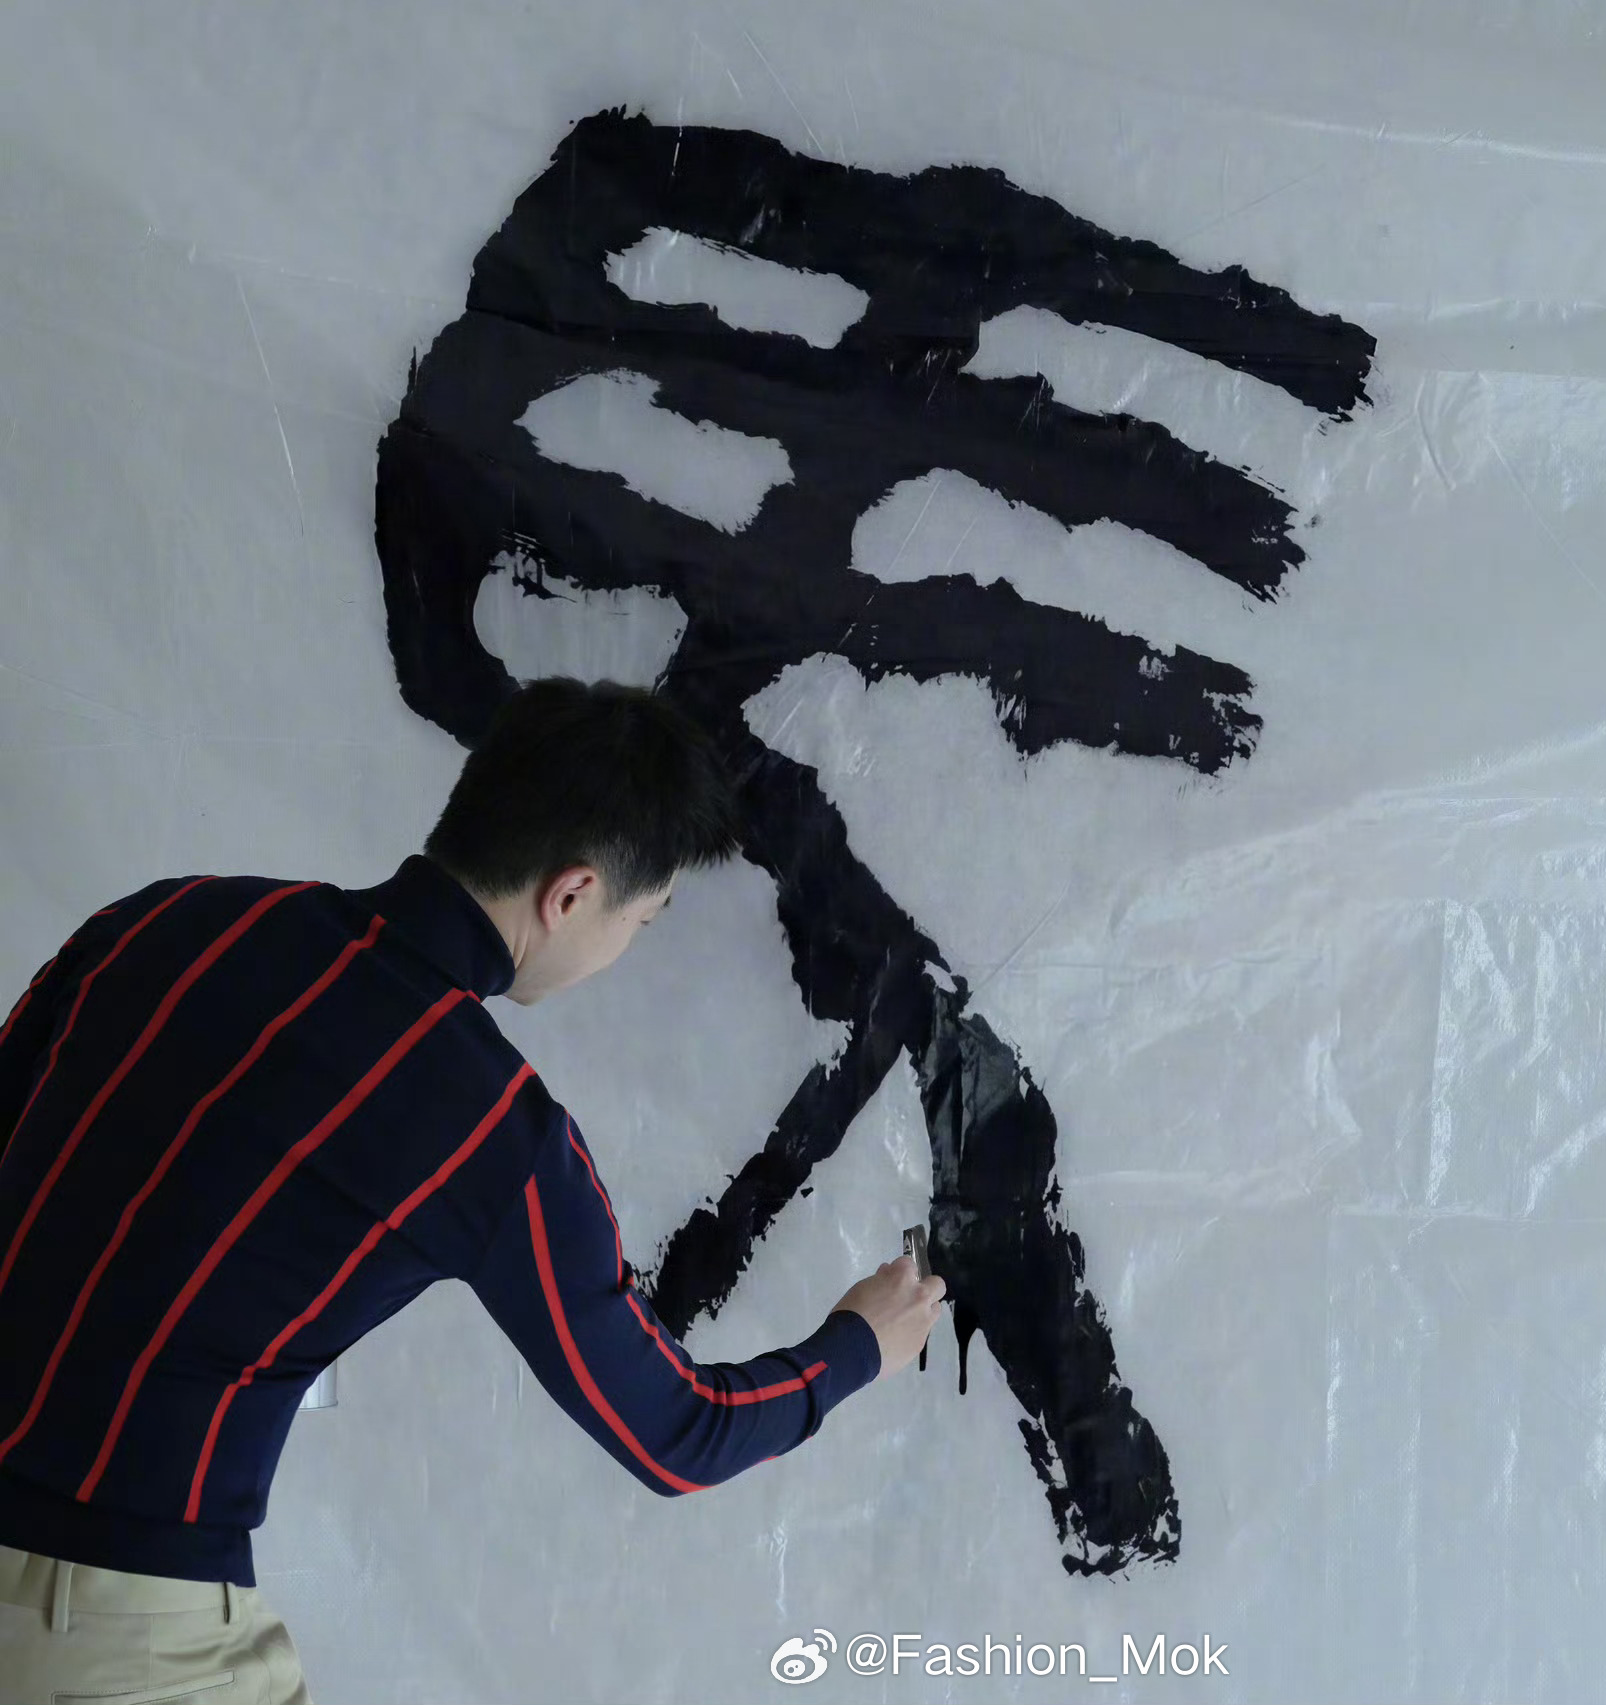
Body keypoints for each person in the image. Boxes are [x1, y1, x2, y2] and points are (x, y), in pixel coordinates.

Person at [0, 677, 944, 1705]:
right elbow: (677, 1432)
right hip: (115, 1630)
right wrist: (858, 1344)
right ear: (571, 895)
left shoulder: (168, 918)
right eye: (641, 919)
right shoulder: (491, 1132)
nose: (623, 949)